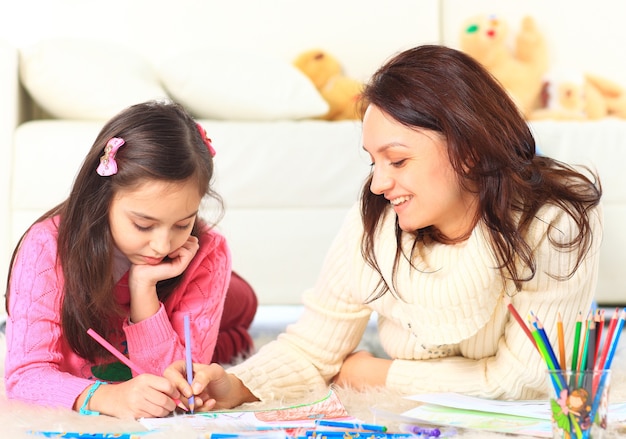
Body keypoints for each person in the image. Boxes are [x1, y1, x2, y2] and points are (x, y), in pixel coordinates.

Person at [164, 44, 603, 410]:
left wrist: (376, 372)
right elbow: (314, 348)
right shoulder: (377, 217)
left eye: (397, 160)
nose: (378, 182)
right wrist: (235, 385)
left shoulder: (552, 223)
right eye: (373, 161)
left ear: (469, 149)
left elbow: (527, 382)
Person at [4, 100, 257, 418]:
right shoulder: (46, 246)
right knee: (224, 343)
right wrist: (104, 396)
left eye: (182, 223)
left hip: (210, 286)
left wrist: (143, 291)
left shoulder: (206, 252)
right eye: (143, 224)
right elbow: (24, 377)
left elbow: (179, 389)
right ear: (103, 197)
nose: (162, 245)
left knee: (243, 308)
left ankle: (237, 325)